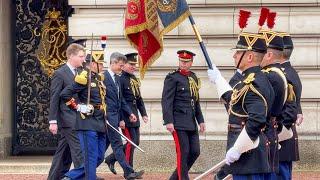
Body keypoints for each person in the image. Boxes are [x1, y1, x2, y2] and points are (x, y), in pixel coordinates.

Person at [207, 31, 275, 179]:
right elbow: (235, 102)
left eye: (238, 52)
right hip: (249, 156)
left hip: (248, 154)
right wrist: (219, 80)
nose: (234, 56)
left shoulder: (253, 83)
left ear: (249, 56)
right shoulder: (251, 80)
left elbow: (256, 120)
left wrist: (237, 149)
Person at [60, 50, 107, 180]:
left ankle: (70, 177)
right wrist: (79, 107)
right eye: (100, 63)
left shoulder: (98, 78)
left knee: (99, 157)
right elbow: (65, 94)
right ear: (92, 64)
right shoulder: (83, 77)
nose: (102, 66)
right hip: (87, 122)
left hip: (100, 121)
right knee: (91, 157)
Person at [161, 50, 205, 180]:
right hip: (178, 122)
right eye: (181, 61)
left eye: (186, 62)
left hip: (191, 122)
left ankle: (175, 178)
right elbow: (166, 100)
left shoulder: (193, 78)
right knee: (183, 153)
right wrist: (168, 121)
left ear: (191, 62)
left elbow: (196, 101)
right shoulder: (172, 77)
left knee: (195, 152)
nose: (183, 64)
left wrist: (201, 120)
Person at [103, 52, 144, 179]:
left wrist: (129, 113)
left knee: (103, 149)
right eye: (120, 65)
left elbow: (120, 100)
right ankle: (128, 171)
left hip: (115, 118)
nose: (122, 68)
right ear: (113, 63)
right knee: (116, 145)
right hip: (107, 119)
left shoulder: (117, 79)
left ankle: (108, 162)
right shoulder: (103, 77)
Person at [48, 42, 85, 180]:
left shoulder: (81, 73)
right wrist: (53, 121)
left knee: (64, 153)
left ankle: (54, 177)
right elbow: (55, 98)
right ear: (71, 56)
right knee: (79, 151)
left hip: (79, 117)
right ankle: (83, 176)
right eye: (81, 56)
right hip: (68, 119)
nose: (84, 59)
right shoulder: (60, 73)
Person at [259, 29, 288, 179]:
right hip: (272, 130)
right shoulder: (278, 73)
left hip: (264, 132)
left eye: (261, 52)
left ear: (269, 55)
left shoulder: (269, 76)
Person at [277, 32, 302, 180]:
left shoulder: (284, 74)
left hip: (282, 136)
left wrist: (278, 134)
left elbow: (290, 108)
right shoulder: (289, 72)